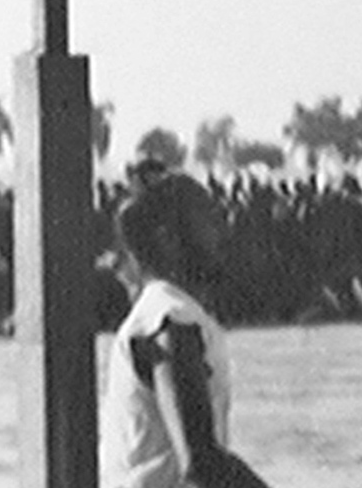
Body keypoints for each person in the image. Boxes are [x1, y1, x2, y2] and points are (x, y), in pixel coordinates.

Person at [102, 164, 271, 488]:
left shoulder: (160, 312)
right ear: (169, 238)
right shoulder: (170, 319)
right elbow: (199, 463)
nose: (222, 232)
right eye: (208, 221)